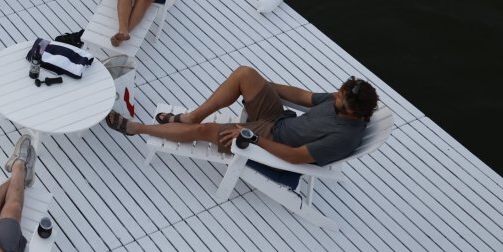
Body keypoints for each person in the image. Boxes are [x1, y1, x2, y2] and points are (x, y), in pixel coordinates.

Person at [105, 66, 378, 165]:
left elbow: (296, 157)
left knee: (205, 131)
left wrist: (252, 138)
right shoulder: (342, 101)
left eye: (339, 98)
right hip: (280, 120)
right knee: (245, 74)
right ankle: (191, 116)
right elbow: (302, 96)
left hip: (272, 143)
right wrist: (264, 87)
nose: (335, 95)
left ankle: (136, 128)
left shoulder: (344, 137)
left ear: (352, 112)